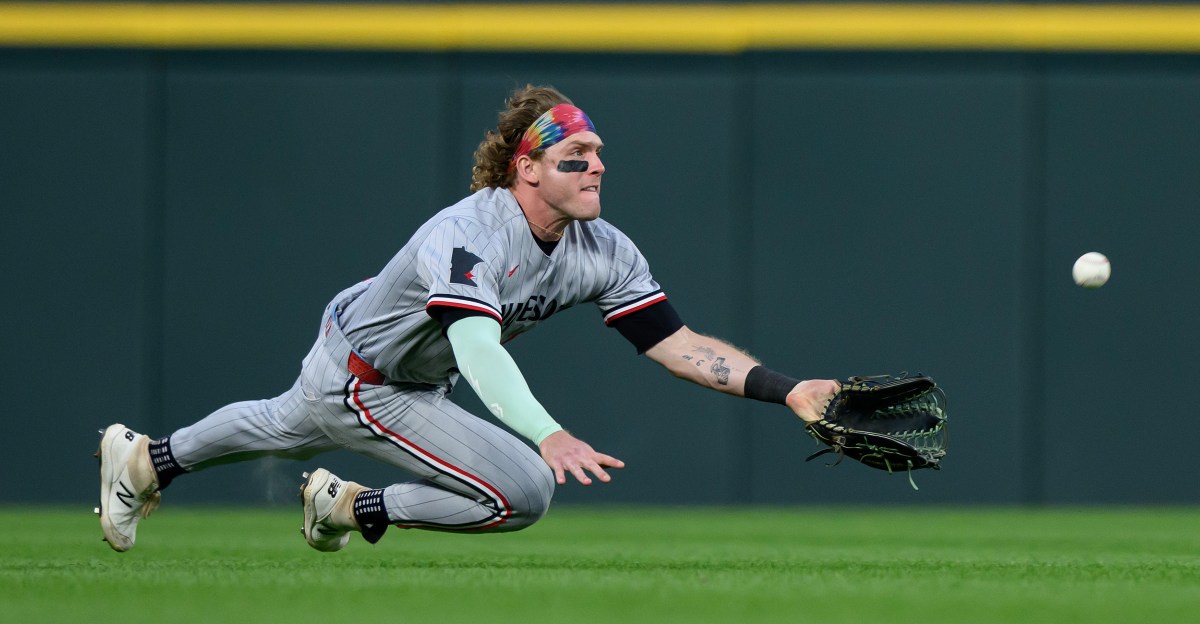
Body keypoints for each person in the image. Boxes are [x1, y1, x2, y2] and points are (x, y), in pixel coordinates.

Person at [95, 84, 840, 553]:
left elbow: (676, 345)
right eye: (576, 153)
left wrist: (790, 390)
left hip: (384, 356)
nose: (598, 165)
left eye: (599, 152)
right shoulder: (473, 233)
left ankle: (146, 460)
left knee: (282, 424)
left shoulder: (601, 248)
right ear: (529, 166)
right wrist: (546, 434)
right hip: (374, 376)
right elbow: (478, 346)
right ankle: (352, 505)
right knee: (523, 492)